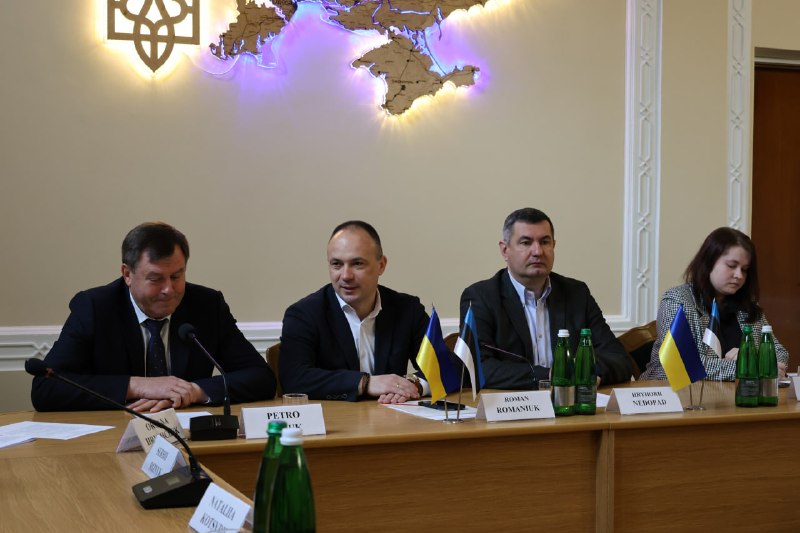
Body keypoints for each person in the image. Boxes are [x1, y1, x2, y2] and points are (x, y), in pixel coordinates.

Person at [31, 222, 276, 412]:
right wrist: (137, 385)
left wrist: (194, 391)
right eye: (155, 279)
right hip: (114, 432)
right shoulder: (96, 308)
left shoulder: (207, 305)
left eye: (177, 276)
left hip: (185, 433)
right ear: (127, 274)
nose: (169, 289)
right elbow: (46, 388)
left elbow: (261, 377)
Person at [460, 207, 631, 389]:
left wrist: (586, 371)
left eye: (544, 242)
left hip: (570, 403)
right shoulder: (480, 297)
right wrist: (552, 375)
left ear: (553, 246)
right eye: (526, 243)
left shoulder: (577, 293)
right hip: (513, 404)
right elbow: (478, 367)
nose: (538, 251)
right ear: (505, 250)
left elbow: (618, 358)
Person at [279, 220, 432, 403]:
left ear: (381, 265)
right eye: (336, 264)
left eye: (357, 264)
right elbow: (294, 379)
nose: (346, 276)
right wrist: (365, 383)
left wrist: (414, 385)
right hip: (337, 419)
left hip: (392, 416)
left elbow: (445, 366)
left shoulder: (407, 309)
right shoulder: (304, 314)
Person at [640, 227, 789, 381]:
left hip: (733, 392)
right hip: (673, 392)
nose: (739, 275)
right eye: (731, 266)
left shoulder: (746, 306)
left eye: (745, 270)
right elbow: (681, 364)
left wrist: (752, 358)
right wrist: (748, 366)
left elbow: (779, 352)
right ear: (709, 262)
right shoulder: (677, 300)